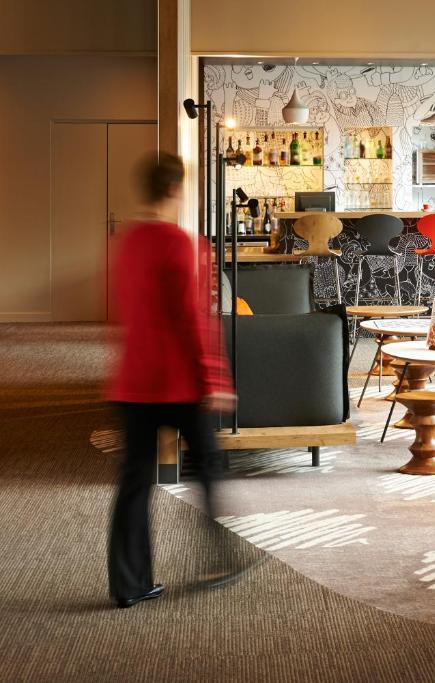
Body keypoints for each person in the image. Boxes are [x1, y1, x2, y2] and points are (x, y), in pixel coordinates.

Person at [107, 153, 237, 608]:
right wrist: (216, 378)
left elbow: (119, 310)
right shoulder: (182, 244)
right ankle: (219, 560)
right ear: (177, 189)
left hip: (133, 382)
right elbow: (193, 320)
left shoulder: (124, 242)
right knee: (209, 468)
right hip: (180, 383)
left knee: (135, 484)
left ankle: (130, 584)